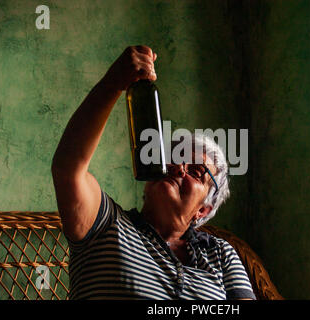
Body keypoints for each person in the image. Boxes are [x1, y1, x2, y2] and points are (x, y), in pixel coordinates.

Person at [51, 45, 256, 300]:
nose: (178, 167)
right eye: (172, 159)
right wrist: (113, 83)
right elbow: (68, 169)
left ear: (203, 209)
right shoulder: (105, 224)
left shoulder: (220, 253)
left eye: (196, 171)